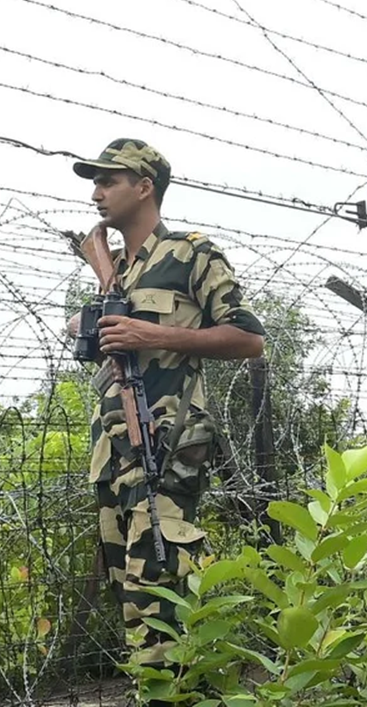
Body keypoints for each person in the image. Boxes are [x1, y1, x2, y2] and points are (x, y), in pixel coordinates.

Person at [67, 139, 265, 668]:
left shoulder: (191, 254)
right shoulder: (117, 272)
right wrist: (94, 318)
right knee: (129, 597)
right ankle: (161, 687)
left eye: (108, 181)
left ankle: (179, 691)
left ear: (144, 186)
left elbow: (248, 338)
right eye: (95, 182)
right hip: (112, 453)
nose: (97, 193)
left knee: (158, 589)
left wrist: (149, 334)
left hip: (165, 444)